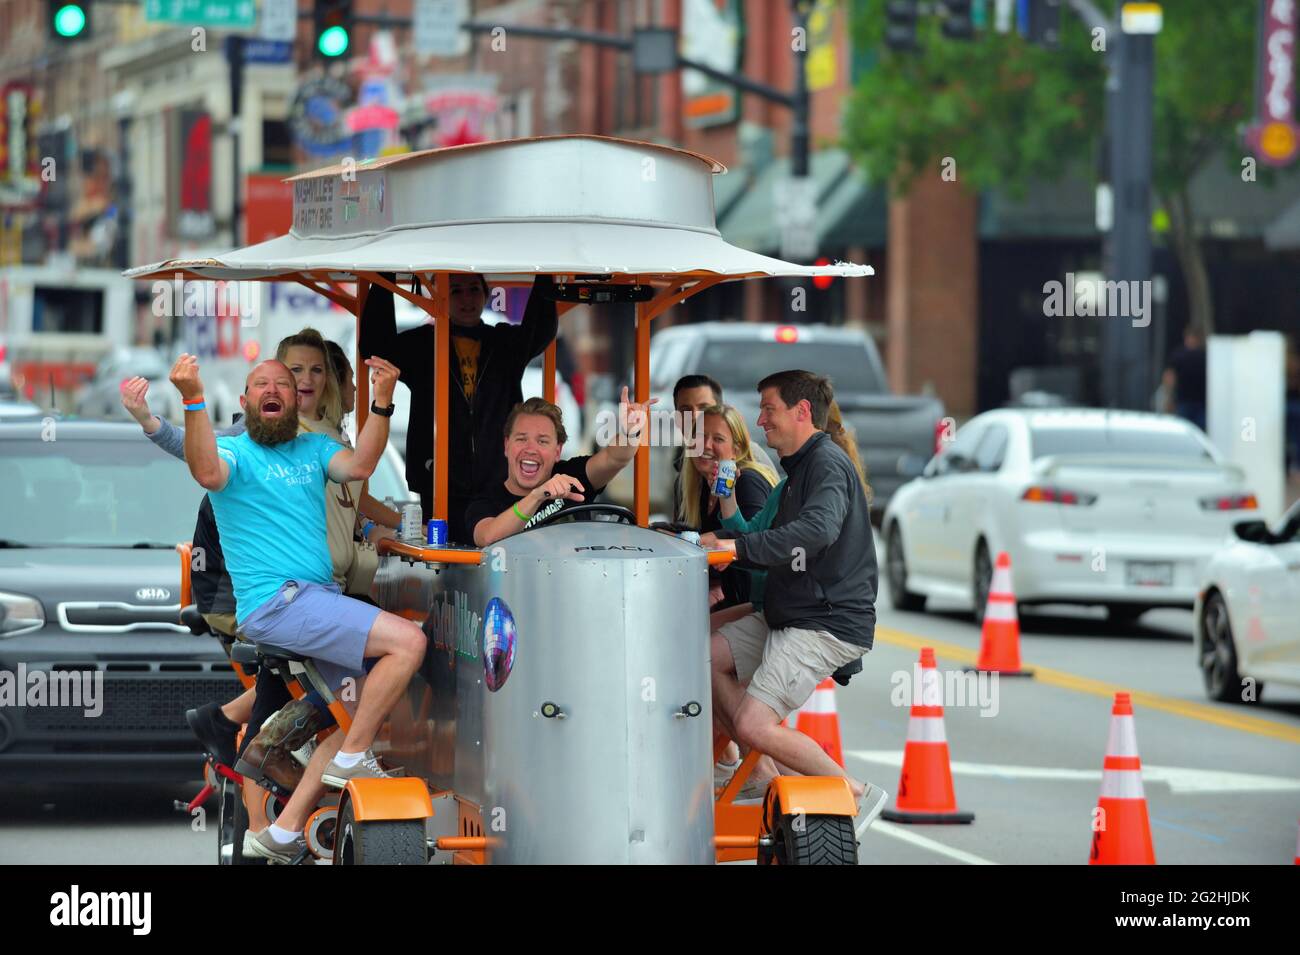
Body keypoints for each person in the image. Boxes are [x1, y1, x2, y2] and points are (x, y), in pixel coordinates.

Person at [168, 351, 426, 863]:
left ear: (295, 400)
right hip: (281, 604)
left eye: (283, 384)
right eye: (261, 384)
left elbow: (363, 465)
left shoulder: (313, 448)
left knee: (355, 721)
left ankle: (284, 831)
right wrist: (193, 397)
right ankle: (340, 760)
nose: (274, 389)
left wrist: (382, 402)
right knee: (410, 642)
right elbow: (203, 469)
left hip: (314, 602)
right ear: (245, 402)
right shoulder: (236, 453)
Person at [700, 370, 886, 829]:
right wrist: (715, 540)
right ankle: (757, 774)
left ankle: (850, 790)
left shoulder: (826, 464)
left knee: (753, 724)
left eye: (769, 409)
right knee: (699, 661)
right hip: (789, 614)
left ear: (802, 411)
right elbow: (764, 535)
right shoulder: (799, 469)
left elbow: (817, 531)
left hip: (823, 622)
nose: (761, 421)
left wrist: (736, 549)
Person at [359, 273, 558, 543]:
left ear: (486, 294)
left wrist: (545, 272)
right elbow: (374, 346)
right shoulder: (422, 344)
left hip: (497, 479)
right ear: (439, 297)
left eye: (474, 289)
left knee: (496, 553)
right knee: (444, 563)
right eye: (456, 291)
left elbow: (542, 329)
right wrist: (385, 277)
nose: (467, 298)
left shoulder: (505, 343)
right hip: (438, 480)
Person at [466, 388, 652, 547]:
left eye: (542, 441)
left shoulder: (571, 475)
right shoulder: (485, 501)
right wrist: (537, 495)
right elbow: (488, 537)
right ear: (507, 445)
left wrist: (631, 432)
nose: (530, 449)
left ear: (557, 451)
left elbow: (614, 459)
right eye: (521, 439)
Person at [676, 403, 777, 609]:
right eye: (701, 436)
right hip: (730, 596)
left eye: (718, 439)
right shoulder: (699, 483)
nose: (706, 445)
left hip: (755, 603)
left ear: (736, 450)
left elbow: (749, 548)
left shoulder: (748, 481)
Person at [1162, 325, 1207, 430]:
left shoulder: (1179, 356)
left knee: (1182, 431)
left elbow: (1169, 379)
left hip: (1186, 403)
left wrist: (1168, 399)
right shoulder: (1205, 356)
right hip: (1196, 403)